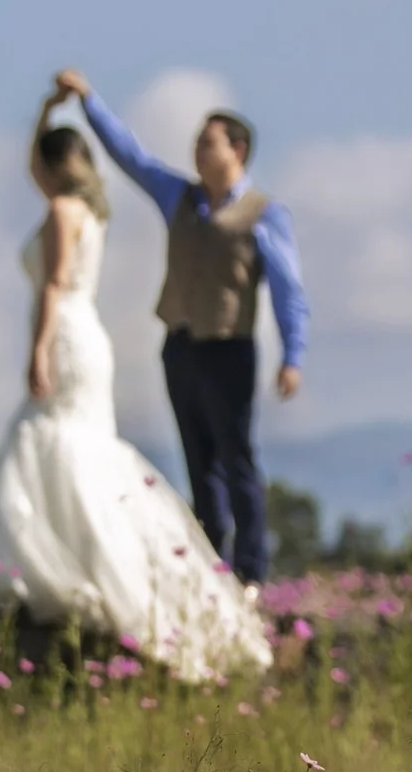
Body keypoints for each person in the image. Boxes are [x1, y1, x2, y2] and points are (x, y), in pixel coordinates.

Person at [0, 87, 272, 682]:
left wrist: (37, 349)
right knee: (75, 449)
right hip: (87, 337)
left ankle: (75, 569)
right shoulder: (91, 210)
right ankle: (83, 565)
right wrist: (48, 111)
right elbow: (39, 169)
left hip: (66, 334)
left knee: (54, 443)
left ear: (53, 166)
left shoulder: (62, 212)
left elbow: (54, 285)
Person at [51, 68, 307, 586]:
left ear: (237, 150)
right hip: (181, 345)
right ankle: (212, 566)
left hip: (230, 348)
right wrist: (89, 102)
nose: (197, 151)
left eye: (208, 142)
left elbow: (288, 289)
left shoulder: (263, 215)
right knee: (198, 462)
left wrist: (292, 355)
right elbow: (132, 157)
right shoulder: (180, 198)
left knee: (237, 459)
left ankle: (251, 571)